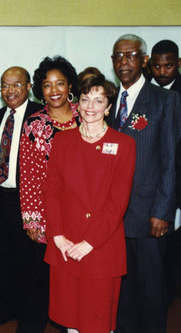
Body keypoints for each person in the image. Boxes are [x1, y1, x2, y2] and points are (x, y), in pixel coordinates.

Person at [43, 74, 136, 333]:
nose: (90, 107)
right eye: (85, 99)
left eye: (98, 101)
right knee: (70, 319)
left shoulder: (124, 144)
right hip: (67, 244)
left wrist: (90, 243)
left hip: (101, 246)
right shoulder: (62, 141)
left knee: (98, 321)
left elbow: (118, 202)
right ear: (77, 103)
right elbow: (52, 191)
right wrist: (58, 236)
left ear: (108, 107)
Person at [110, 34, 181, 333]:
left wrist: (163, 212)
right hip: (114, 216)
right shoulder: (110, 99)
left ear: (144, 61)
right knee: (122, 288)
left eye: (130, 55)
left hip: (149, 213)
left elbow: (170, 160)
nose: (124, 61)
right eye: (118, 56)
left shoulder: (165, 100)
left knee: (152, 291)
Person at [18, 56, 79, 332]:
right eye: (47, 85)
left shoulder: (87, 115)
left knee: (76, 278)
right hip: (46, 215)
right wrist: (32, 219)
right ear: (40, 90)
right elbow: (27, 175)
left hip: (82, 214)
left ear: (70, 87)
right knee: (41, 279)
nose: (54, 91)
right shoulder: (33, 124)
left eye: (60, 84)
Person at [0, 67, 41, 329]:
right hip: (0, 199)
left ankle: (29, 315)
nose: (10, 91)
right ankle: (8, 307)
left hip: (29, 201)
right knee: (4, 258)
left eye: (16, 85)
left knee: (29, 261)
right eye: (4, 86)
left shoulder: (40, 116)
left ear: (29, 86)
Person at [150, 39, 181, 305]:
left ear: (178, 64)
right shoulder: (145, 92)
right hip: (155, 184)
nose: (162, 72)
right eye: (157, 66)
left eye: (168, 66)